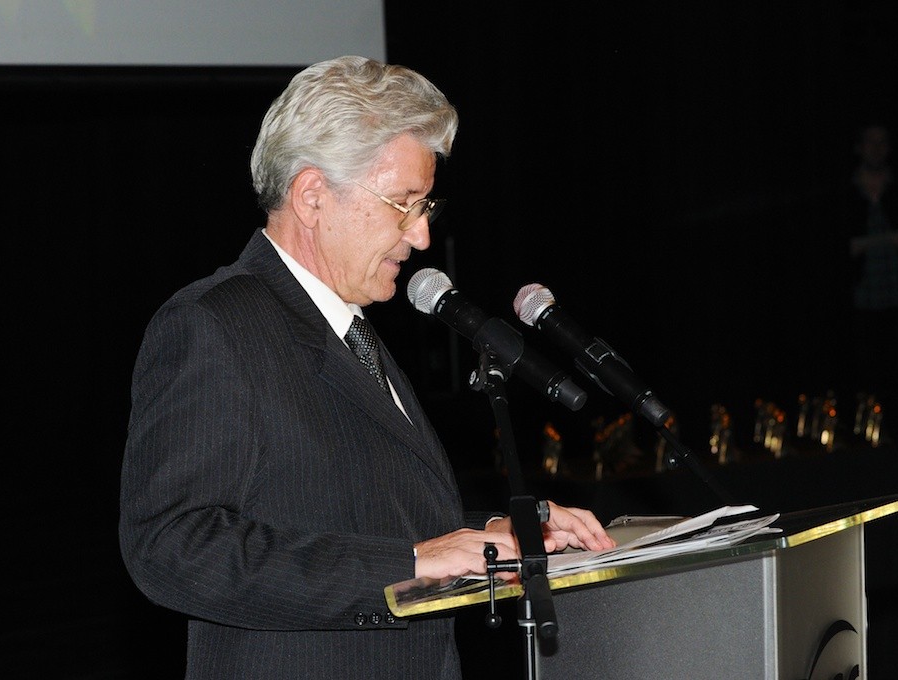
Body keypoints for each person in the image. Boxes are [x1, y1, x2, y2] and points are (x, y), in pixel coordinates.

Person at [118, 55, 614, 679]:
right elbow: (169, 548)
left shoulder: (353, 329)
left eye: (426, 205)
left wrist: (497, 533)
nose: (422, 236)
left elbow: (373, 523)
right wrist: (407, 563)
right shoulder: (215, 324)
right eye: (404, 203)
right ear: (313, 196)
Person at [839, 121, 898, 406]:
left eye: (882, 142)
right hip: (862, 296)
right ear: (859, 148)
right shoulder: (845, 190)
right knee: (868, 374)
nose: (877, 149)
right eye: (870, 142)